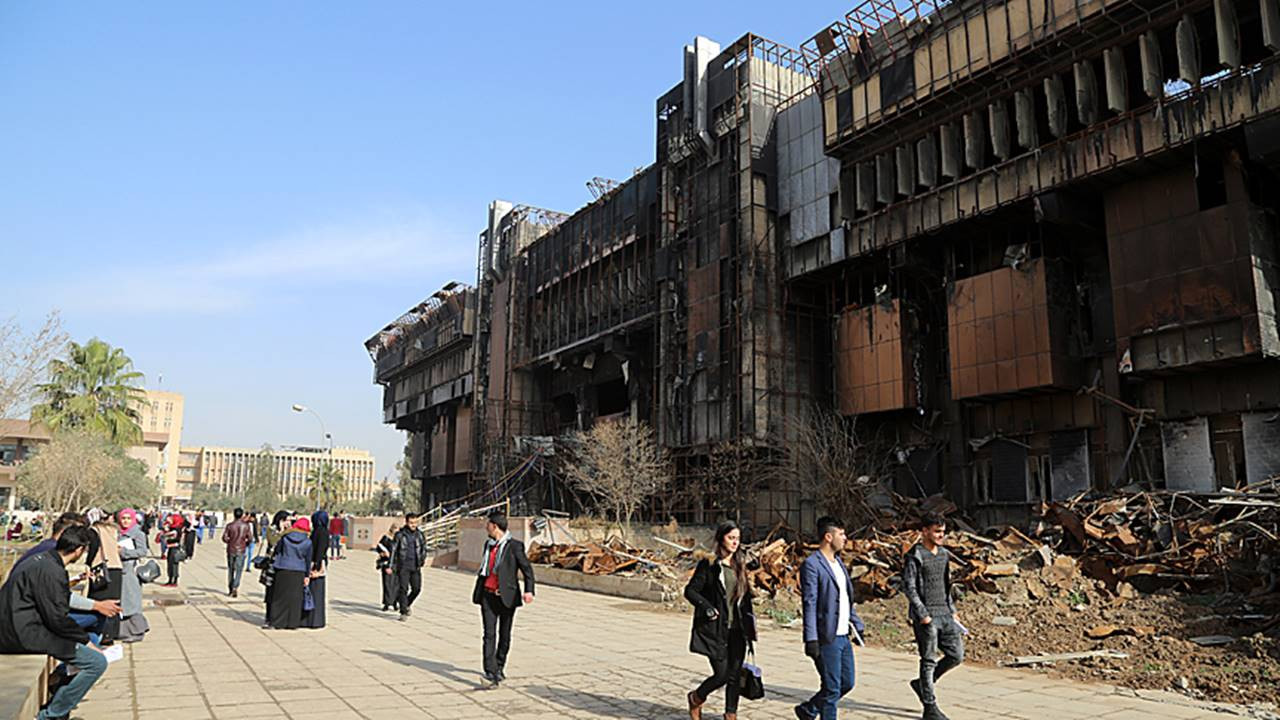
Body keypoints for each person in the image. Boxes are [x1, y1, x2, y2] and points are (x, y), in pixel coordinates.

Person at [0, 526, 109, 720]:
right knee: (96, 662)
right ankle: (50, 715)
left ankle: (59, 690)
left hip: (22, 626)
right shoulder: (51, 570)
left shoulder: (44, 561)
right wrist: (87, 643)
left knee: (89, 640)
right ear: (79, 550)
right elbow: (57, 619)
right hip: (23, 633)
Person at [795, 516, 866, 720]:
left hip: (844, 635)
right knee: (832, 688)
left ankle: (808, 710)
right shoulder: (812, 565)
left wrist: (856, 623)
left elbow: (845, 597)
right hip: (827, 636)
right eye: (841, 534)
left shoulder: (839, 563)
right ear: (828, 536)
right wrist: (811, 639)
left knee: (846, 683)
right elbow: (810, 603)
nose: (845, 538)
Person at [684, 521, 756, 720]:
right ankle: (696, 697)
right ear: (721, 538)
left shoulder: (739, 564)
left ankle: (730, 714)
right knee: (722, 674)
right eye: (731, 538)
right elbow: (690, 591)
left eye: (738, 539)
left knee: (735, 675)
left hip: (737, 629)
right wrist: (706, 607)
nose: (735, 542)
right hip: (715, 629)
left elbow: (744, 597)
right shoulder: (709, 564)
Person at [903, 512, 964, 720]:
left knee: (956, 655)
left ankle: (922, 685)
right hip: (927, 617)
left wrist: (953, 612)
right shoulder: (915, 555)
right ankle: (930, 707)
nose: (940, 536)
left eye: (943, 532)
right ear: (925, 531)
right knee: (928, 660)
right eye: (937, 531)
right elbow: (910, 587)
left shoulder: (944, 555)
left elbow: (946, 586)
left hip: (945, 614)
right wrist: (923, 615)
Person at [471, 512, 535, 686]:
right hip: (487, 596)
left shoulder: (515, 546)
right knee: (488, 635)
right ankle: (490, 673)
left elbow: (527, 570)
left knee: (504, 635)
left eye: (488, 524)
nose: (486, 527)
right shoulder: (488, 545)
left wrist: (529, 591)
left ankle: (499, 666)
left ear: (495, 526)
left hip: (506, 597)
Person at [268, 517, 313, 630]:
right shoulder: (308, 542)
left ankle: (277, 621)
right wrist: (307, 575)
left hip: (283, 567)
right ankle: (292, 622)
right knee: (295, 598)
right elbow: (308, 559)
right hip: (299, 570)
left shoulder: (285, 537)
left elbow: (278, 551)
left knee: (280, 597)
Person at [115, 509, 151, 643]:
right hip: (120, 571)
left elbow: (143, 551)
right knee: (124, 603)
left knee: (132, 603)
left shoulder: (138, 534)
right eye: (123, 518)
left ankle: (137, 631)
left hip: (131, 572)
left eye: (128, 518)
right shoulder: (118, 533)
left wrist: (124, 552)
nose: (125, 521)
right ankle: (125, 632)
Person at [389, 512, 427, 621]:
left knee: (417, 589)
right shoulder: (400, 535)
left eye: (415, 523)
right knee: (403, 589)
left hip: (415, 566)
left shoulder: (420, 535)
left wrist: (423, 559)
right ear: (406, 522)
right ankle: (403, 612)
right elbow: (394, 551)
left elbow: (423, 548)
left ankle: (406, 604)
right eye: (411, 523)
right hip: (403, 566)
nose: (413, 525)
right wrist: (390, 565)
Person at [302, 510, 329, 629]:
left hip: (317, 564)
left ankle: (313, 620)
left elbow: (319, 550)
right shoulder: (323, 531)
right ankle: (313, 619)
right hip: (318, 563)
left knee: (314, 592)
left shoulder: (320, 532)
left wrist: (316, 566)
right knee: (315, 592)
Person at [222, 508, 252, 597]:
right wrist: (245, 543)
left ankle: (231, 587)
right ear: (242, 515)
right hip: (241, 550)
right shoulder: (246, 526)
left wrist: (230, 541)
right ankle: (235, 586)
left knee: (231, 569)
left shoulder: (230, 526)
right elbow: (250, 538)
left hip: (231, 549)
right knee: (239, 570)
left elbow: (224, 538)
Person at [375, 523, 400, 611]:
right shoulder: (386, 538)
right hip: (386, 563)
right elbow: (378, 547)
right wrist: (382, 553)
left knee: (396, 585)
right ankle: (386, 603)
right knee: (387, 584)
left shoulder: (399, 539)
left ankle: (395, 603)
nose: (396, 530)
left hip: (397, 564)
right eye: (394, 528)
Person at [160, 514, 187, 587]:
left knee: (174, 566)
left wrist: (165, 533)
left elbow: (170, 536)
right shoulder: (172, 528)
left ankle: (174, 581)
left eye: (172, 519)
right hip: (170, 548)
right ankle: (169, 580)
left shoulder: (177, 529)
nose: (170, 520)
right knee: (170, 565)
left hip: (175, 549)